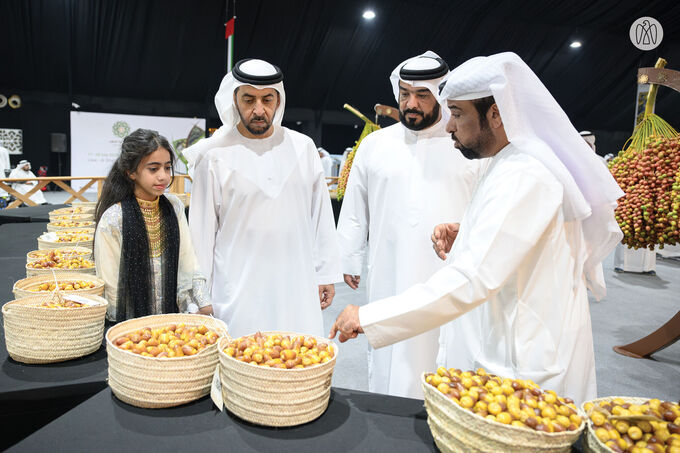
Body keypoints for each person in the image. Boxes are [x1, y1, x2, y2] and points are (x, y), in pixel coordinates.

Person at [330, 52, 624, 403]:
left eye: (456, 113)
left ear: (496, 114)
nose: (449, 125)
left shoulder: (526, 174)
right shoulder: (505, 162)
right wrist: (466, 231)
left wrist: (369, 316)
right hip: (505, 337)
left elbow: (472, 278)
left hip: (528, 355)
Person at [336, 51, 486, 399]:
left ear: (441, 96)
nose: (411, 103)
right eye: (405, 94)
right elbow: (356, 207)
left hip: (450, 272)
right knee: (391, 354)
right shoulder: (375, 145)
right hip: (389, 269)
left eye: (422, 95)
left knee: (447, 358)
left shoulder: (467, 146)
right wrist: (349, 257)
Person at [185, 59, 341, 338]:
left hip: (296, 283)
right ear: (234, 100)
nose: (259, 109)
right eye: (249, 99)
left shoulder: (302, 147)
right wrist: (199, 296)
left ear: (278, 101)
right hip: (237, 288)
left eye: (267, 99)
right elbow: (201, 233)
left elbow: (321, 216)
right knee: (241, 361)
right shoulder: (213, 155)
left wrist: (325, 273)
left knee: (298, 357)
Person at [94, 128, 212, 322]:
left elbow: (187, 260)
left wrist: (202, 302)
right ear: (131, 172)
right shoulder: (113, 218)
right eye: (153, 169)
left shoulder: (174, 206)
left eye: (167, 168)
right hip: (131, 326)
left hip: (173, 320)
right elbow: (112, 286)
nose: (163, 176)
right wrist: (132, 329)